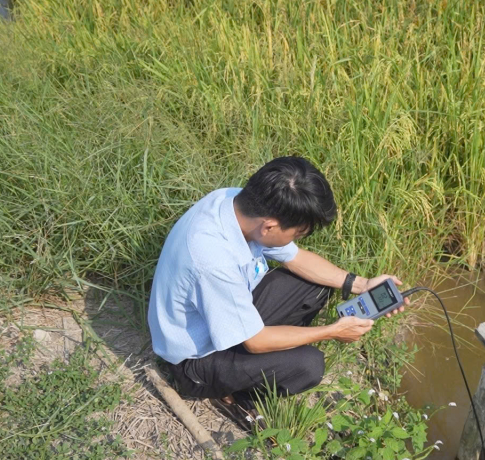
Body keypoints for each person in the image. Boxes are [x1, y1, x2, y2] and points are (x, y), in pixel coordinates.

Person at [147, 156, 408, 425]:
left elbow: (295, 258)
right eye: (295, 234)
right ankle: (231, 392)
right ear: (269, 226)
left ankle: (248, 372)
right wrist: (332, 332)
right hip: (195, 362)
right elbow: (255, 341)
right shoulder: (212, 260)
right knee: (308, 365)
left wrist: (363, 284)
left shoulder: (234, 202)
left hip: (221, 317)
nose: (296, 240)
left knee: (317, 287)